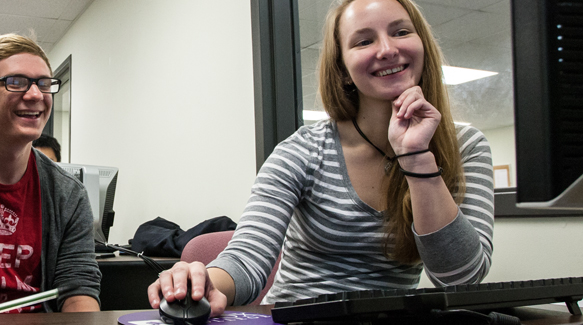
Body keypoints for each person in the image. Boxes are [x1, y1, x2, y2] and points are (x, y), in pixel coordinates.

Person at [148, 0, 494, 316]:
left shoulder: (466, 146)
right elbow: (248, 258)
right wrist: (205, 281)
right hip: (301, 319)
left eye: (401, 32)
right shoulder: (302, 151)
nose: (388, 49)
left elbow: (460, 279)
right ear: (342, 68)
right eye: (363, 41)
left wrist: (417, 159)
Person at [0, 34, 102, 312]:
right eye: (15, 82)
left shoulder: (68, 193)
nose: (36, 95)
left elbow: (77, 289)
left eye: (44, 84)